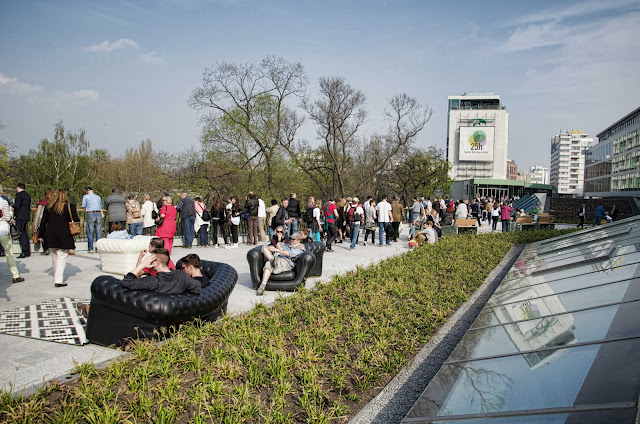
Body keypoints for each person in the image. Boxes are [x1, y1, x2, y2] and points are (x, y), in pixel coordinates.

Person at [37, 189, 80, 287]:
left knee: (54, 256)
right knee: (62, 257)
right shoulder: (69, 206)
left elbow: (43, 222)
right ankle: (58, 280)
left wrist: (41, 235)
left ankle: (57, 276)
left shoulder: (49, 207)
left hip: (50, 234)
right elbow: (76, 219)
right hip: (64, 234)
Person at [121, 248, 201, 295]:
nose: (149, 262)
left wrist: (143, 264)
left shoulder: (154, 281)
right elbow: (197, 287)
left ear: (157, 262)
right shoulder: (182, 275)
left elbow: (127, 282)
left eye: (151, 259)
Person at [256, 231, 306, 296]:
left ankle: (263, 285)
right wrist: (278, 242)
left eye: (293, 239)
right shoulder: (288, 244)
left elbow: (289, 253)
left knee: (269, 263)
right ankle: (263, 285)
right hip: (277, 259)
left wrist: (276, 250)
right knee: (265, 248)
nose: (291, 240)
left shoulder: (300, 247)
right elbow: (278, 245)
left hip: (286, 262)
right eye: (290, 238)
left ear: (299, 240)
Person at [0, 186, 24, 283]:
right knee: (9, 253)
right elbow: (7, 217)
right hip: (3, 229)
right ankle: (15, 275)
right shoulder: (3, 202)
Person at [82, 187, 103, 253]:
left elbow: (84, 206)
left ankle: (90, 248)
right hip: (98, 213)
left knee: (90, 232)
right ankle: (98, 248)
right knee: (99, 232)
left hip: (90, 213)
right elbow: (100, 206)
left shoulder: (86, 197)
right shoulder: (98, 197)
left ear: (87, 191)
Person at [33, 188, 54, 255]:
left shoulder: (42, 202)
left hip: (42, 219)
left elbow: (38, 213)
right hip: (51, 220)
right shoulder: (54, 202)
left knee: (42, 234)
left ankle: (45, 248)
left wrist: (35, 223)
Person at [14, 183, 32, 258]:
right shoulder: (27, 195)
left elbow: (17, 206)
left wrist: (15, 215)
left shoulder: (19, 195)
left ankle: (24, 250)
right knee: (25, 233)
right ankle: (27, 250)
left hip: (20, 216)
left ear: (18, 187)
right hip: (26, 216)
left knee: (21, 233)